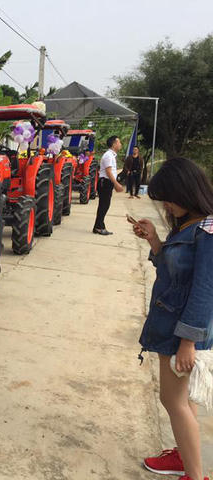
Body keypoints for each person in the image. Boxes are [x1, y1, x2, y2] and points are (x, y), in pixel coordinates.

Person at [133, 157, 213, 480]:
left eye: (168, 197)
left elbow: (205, 290)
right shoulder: (189, 224)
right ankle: (183, 456)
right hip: (172, 326)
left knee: (172, 399)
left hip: (182, 332)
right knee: (183, 398)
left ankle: (195, 475)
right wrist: (154, 240)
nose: (166, 204)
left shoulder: (207, 231)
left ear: (186, 190)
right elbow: (173, 275)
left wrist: (188, 342)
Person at [93, 135, 125, 235]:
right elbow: (108, 171)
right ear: (114, 144)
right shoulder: (108, 155)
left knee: (104, 205)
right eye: (119, 142)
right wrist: (116, 184)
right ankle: (99, 227)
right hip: (105, 182)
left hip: (107, 182)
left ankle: (98, 226)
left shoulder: (111, 155)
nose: (120, 144)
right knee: (104, 205)